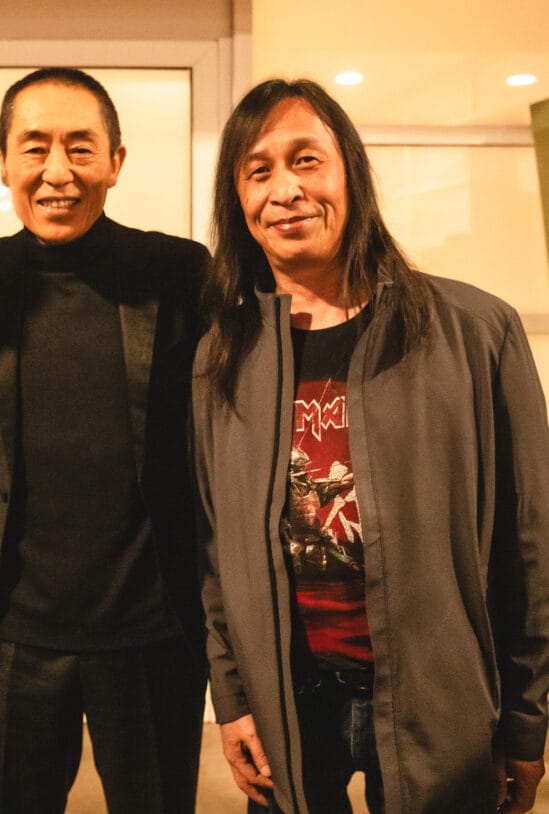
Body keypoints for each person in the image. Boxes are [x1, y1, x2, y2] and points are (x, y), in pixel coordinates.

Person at [194, 77, 549, 813]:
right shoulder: (221, 357)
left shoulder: (475, 332)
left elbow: (531, 542)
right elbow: (215, 546)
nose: (285, 190)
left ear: (350, 173)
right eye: (258, 171)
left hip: (439, 708)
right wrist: (232, 698)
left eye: (306, 160)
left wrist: (524, 718)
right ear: (238, 201)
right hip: (288, 704)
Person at [0, 67, 210, 813]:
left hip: (153, 628)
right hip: (17, 631)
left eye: (79, 147)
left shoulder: (177, 273)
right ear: (3, 163)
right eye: (34, 148)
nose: (57, 171)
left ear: (115, 162)